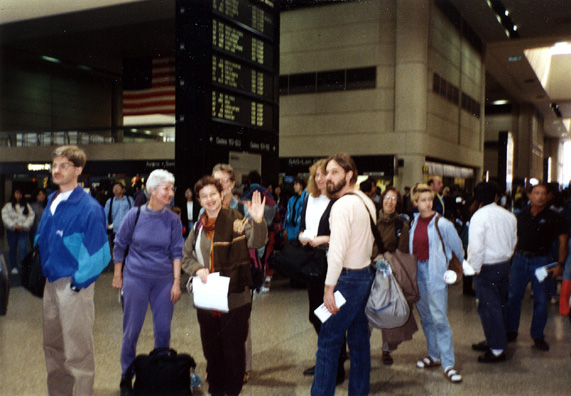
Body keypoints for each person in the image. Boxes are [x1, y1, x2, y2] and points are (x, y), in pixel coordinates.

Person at [34, 145, 111, 396]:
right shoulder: (54, 200)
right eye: (54, 165)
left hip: (73, 286)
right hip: (51, 283)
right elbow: (42, 236)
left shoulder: (88, 207)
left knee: (78, 353)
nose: (56, 170)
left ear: (78, 169)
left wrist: (77, 283)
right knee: (53, 348)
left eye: (63, 165)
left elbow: (99, 253)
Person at [182, 176, 267, 396]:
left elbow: (255, 242)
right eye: (204, 196)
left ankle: (231, 391)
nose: (209, 199)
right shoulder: (199, 227)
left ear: (222, 195)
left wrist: (257, 221)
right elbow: (186, 256)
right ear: (199, 200)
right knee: (212, 351)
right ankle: (216, 391)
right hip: (207, 300)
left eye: (213, 194)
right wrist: (198, 269)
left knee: (233, 352)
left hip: (234, 298)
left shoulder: (236, 219)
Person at [112, 169, 184, 393]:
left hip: (163, 282)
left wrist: (176, 282)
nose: (170, 193)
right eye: (166, 188)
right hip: (136, 279)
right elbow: (120, 244)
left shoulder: (172, 219)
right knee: (131, 331)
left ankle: (160, 375)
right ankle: (126, 375)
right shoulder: (134, 215)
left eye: (172, 188)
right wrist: (118, 275)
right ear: (152, 190)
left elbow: (176, 252)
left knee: (163, 331)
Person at [311, 154, 376, 396]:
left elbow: (338, 252)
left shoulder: (341, 205)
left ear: (349, 175)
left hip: (347, 280)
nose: (328, 177)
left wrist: (329, 289)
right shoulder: (365, 201)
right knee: (358, 341)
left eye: (334, 172)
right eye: (327, 173)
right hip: (363, 276)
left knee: (328, 340)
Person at [409, 183, 464, 383]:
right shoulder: (414, 223)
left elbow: (458, 248)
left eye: (430, 199)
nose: (428, 203)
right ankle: (434, 355)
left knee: (439, 318)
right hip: (418, 273)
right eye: (423, 200)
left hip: (435, 273)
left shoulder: (442, 223)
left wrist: (448, 267)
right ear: (415, 203)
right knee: (425, 317)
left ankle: (448, 363)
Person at [506, 183, 569, 351]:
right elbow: (514, 239)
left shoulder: (555, 217)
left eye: (543, 193)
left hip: (542, 262)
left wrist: (560, 265)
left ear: (549, 197)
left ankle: (538, 335)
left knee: (541, 300)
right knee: (513, 297)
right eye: (536, 193)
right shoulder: (521, 216)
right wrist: (510, 259)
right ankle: (511, 331)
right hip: (520, 260)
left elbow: (563, 242)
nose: (540, 196)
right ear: (529, 196)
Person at [297, 159, 344, 380]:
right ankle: (331, 357)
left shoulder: (338, 202)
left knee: (328, 315)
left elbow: (344, 234)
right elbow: (302, 226)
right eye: (316, 175)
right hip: (312, 261)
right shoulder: (310, 198)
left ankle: (334, 365)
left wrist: (323, 238)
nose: (320, 179)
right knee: (316, 314)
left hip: (330, 262)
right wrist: (302, 236)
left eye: (323, 174)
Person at [467, 182, 517, 363]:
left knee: (489, 308)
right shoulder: (508, 215)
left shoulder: (479, 217)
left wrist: (474, 268)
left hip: (486, 267)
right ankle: (494, 340)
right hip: (504, 265)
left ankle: (496, 349)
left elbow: (476, 248)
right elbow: (513, 241)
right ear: (496, 197)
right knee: (499, 306)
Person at [375, 186, 416, 365]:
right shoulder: (372, 220)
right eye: (387, 197)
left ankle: (386, 349)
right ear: (382, 199)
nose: (389, 201)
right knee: (362, 311)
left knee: (386, 312)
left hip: (387, 272)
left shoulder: (401, 225)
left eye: (394, 198)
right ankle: (357, 346)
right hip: (367, 269)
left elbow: (403, 252)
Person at [2, 188, 34, 275]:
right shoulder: (8, 206)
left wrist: (24, 226)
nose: (18, 195)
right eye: (17, 193)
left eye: (20, 194)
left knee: (23, 249)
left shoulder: (26, 205)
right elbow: (5, 217)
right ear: (14, 194)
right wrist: (13, 225)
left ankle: (23, 267)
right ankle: (13, 266)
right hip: (12, 231)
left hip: (23, 230)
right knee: (12, 249)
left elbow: (31, 216)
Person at [104, 182, 134, 252]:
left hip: (127, 231)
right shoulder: (110, 201)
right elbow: (104, 213)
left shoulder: (129, 200)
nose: (115, 189)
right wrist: (106, 223)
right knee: (117, 252)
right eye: (114, 188)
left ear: (123, 190)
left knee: (128, 252)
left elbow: (134, 213)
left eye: (118, 188)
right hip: (115, 231)